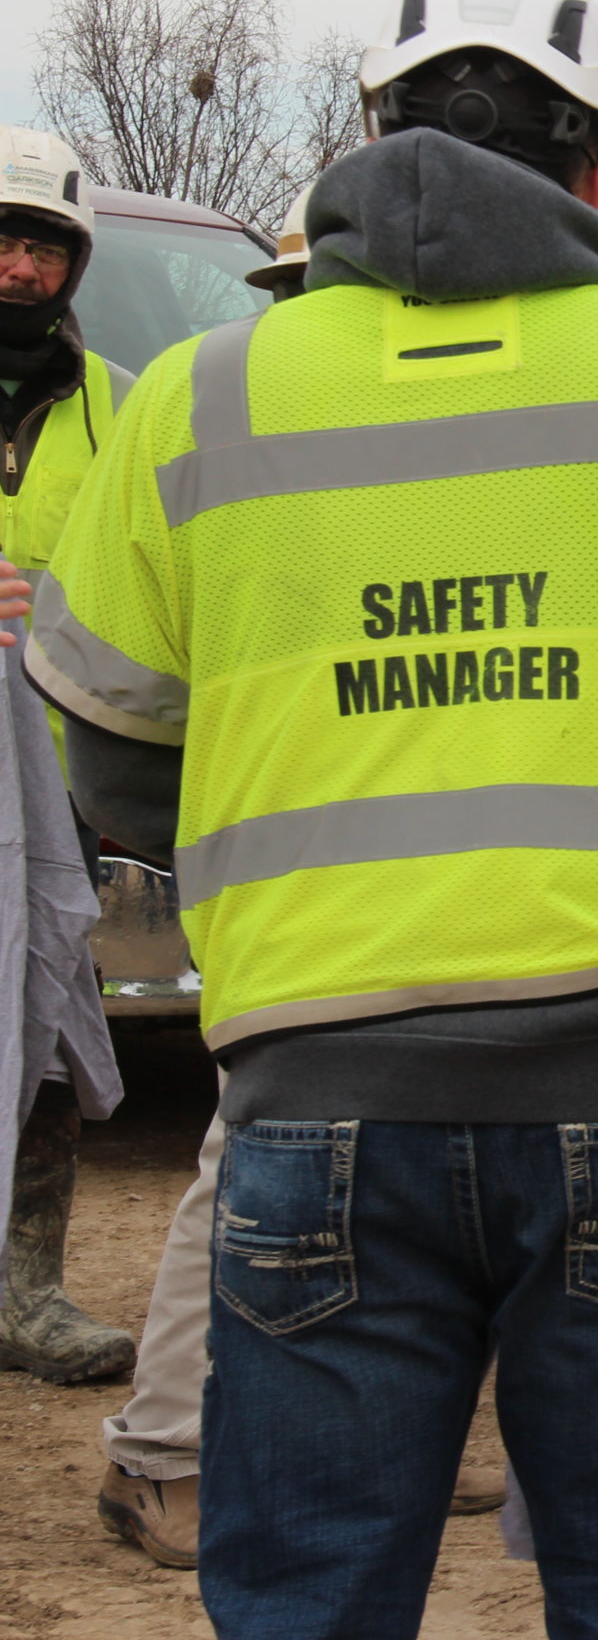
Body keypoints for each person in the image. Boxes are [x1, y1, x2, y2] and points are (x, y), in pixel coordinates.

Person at [31, 0, 598, 1633]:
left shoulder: (202, 399)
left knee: (308, 1604)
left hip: (318, 1092)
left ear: (364, 136)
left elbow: (117, 759)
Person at [92, 178, 503, 1573]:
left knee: (378, 1168)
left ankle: (376, 1437)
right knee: (253, 1155)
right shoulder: (267, 447)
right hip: (303, 878)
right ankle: (161, 1451)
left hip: (371, 870)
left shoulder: (302, 440)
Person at [0, 125, 133, 1391]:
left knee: (41, 1026)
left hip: (53, 785)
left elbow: (153, 584)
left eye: (44, 244)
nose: (19, 267)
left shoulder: (122, 410)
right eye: (4, 240)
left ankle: (24, 1290)